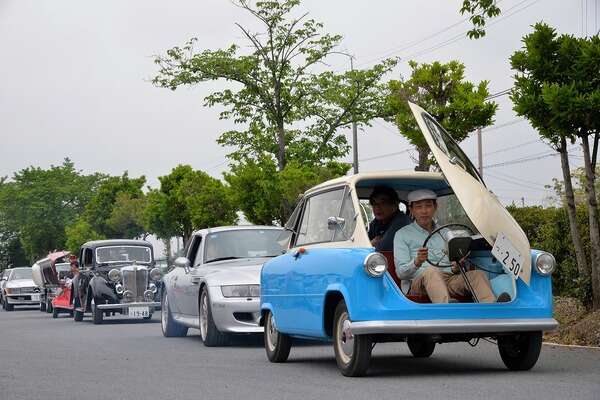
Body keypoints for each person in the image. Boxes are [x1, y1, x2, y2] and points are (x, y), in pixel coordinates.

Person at [393, 189, 509, 303]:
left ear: (435, 207)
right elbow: (401, 273)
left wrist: (456, 267)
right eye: (418, 207)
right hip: (418, 283)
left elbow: (454, 266)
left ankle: (491, 307)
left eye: (428, 206)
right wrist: (417, 262)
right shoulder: (402, 234)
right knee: (432, 271)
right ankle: (447, 306)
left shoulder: (446, 232)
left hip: (449, 279)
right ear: (411, 209)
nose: (424, 211)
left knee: (477, 275)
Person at [367, 185, 411, 251]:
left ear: (395, 204)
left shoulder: (402, 222)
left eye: (383, 203)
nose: (377, 207)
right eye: (374, 203)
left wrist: (371, 244)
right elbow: (363, 241)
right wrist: (372, 243)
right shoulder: (377, 222)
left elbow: (383, 248)